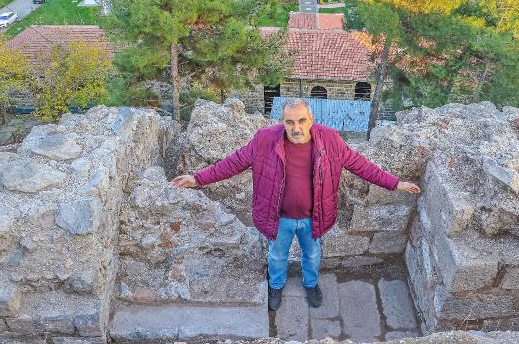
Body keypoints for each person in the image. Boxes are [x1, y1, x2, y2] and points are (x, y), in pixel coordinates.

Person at [172, 98, 421, 311]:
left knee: (312, 255)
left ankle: (310, 285)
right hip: (278, 218)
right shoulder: (264, 140)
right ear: (283, 122)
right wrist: (197, 178)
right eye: (290, 122)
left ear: (311, 119)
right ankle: (276, 287)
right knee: (277, 256)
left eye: (301, 121)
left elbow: (361, 165)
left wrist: (395, 183)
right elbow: (233, 162)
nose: (296, 128)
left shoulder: (331, 140)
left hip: (314, 217)